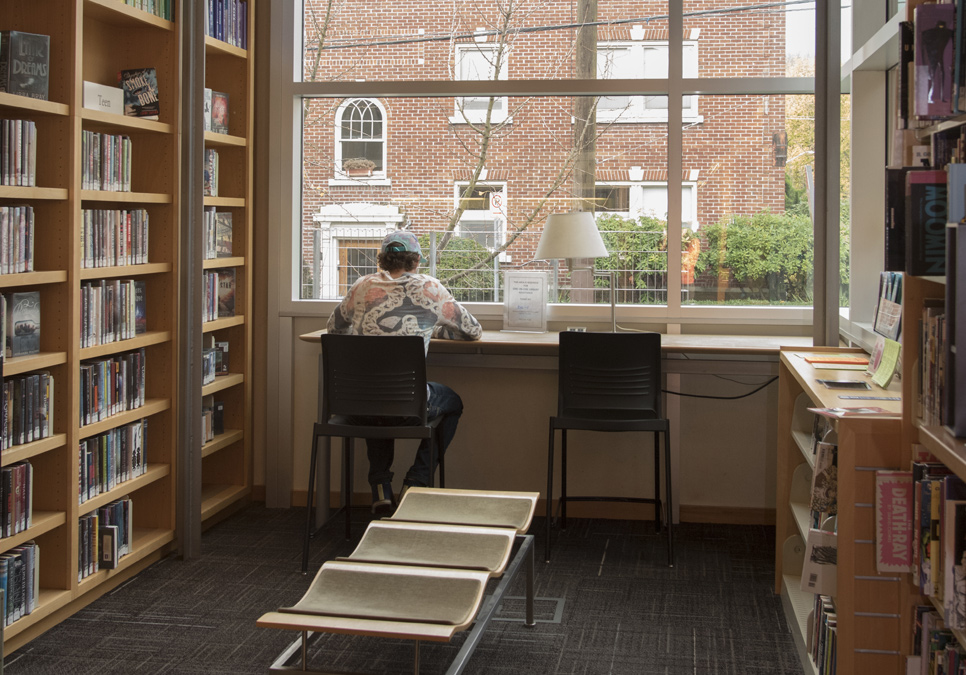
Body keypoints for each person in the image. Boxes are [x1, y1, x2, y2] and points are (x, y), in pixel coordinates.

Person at [326, 229, 483, 514]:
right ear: (417, 261)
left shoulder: (362, 285)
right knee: (452, 402)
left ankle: (380, 488)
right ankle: (417, 481)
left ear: (383, 260)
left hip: (356, 402)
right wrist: (433, 330)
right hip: (406, 405)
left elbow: (335, 328)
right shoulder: (429, 288)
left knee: (376, 399)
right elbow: (472, 331)